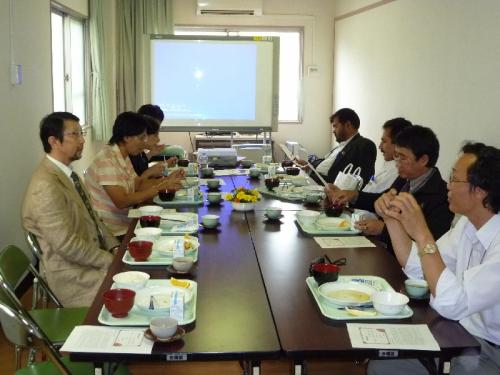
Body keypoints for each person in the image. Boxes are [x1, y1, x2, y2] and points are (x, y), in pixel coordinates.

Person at [368, 143, 500, 374]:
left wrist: (422, 233)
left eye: (454, 179)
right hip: (459, 331)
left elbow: (454, 304)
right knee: (383, 364)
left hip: (490, 347)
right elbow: (419, 268)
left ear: (480, 190)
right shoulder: (467, 224)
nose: (447, 185)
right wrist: (391, 219)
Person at [21, 112, 117, 307]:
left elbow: (94, 220)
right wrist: (109, 260)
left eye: (81, 133)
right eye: (75, 134)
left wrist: (115, 247)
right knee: (136, 291)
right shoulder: (45, 185)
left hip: (89, 260)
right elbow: (67, 246)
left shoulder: (67, 174)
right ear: (54, 141)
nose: (82, 140)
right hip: (73, 274)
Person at [329, 125, 454, 252]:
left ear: (423, 160)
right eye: (396, 156)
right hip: (384, 250)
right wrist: (353, 195)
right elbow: (382, 200)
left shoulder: (442, 196)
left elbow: (429, 245)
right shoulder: (406, 179)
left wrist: (383, 229)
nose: (397, 162)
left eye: (403, 157)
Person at [85, 111, 184, 237]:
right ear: (126, 137)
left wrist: (167, 180)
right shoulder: (107, 160)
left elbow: (137, 184)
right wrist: (160, 187)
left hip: (127, 221)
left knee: (175, 225)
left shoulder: (122, 155)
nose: (144, 142)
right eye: (141, 137)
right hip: (114, 232)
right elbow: (122, 201)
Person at [325, 117, 412, 204]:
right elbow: (373, 196)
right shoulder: (388, 167)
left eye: (384, 141)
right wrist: (345, 195)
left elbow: (379, 202)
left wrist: (351, 196)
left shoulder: (399, 174)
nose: (380, 147)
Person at [296, 108, 377, 186]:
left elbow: (363, 180)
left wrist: (312, 176)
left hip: (325, 188)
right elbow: (327, 164)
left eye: (335, 126)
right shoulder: (341, 146)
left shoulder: (364, 145)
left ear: (348, 125)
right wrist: (309, 166)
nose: (333, 130)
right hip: (313, 178)